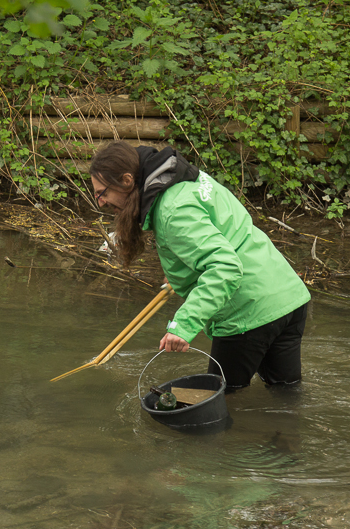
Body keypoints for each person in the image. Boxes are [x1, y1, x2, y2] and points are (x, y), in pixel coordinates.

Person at [89, 140, 310, 392]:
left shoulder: (172, 209)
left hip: (249, 312)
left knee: (218, 402)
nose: (101, 203)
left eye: (101, 193)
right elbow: (222, 233)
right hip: (287, 296)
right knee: (287, 397)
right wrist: (182, 272)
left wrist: (183, 326)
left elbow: (224, 267)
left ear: (127, 180)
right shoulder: (185, 180)